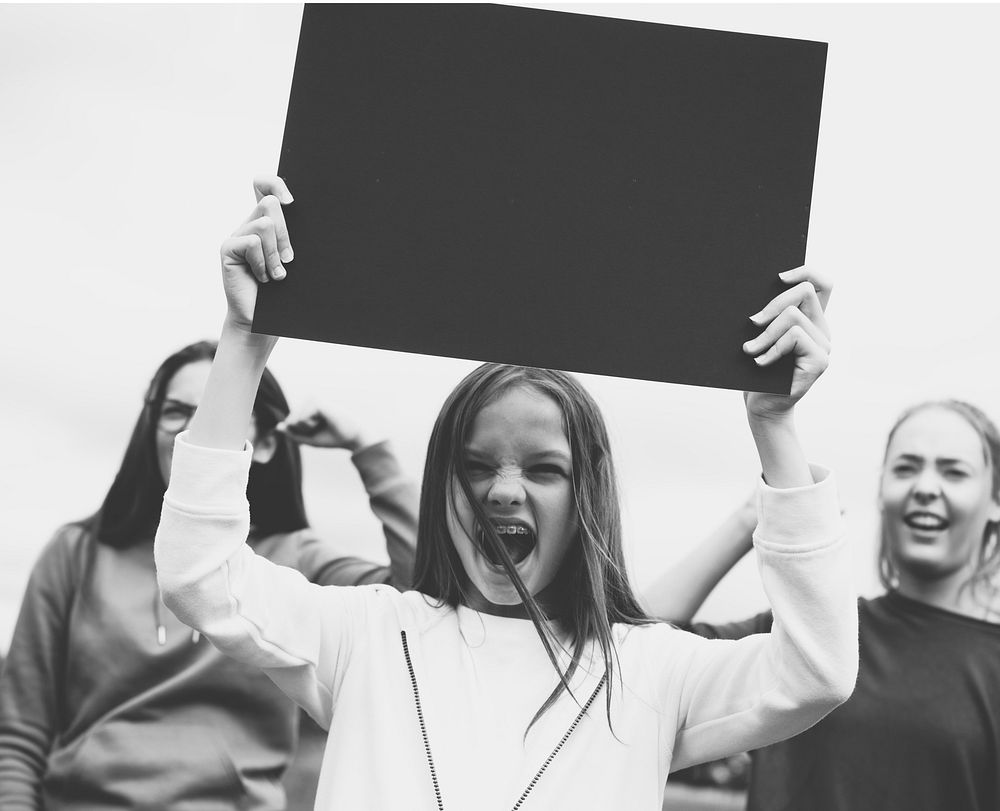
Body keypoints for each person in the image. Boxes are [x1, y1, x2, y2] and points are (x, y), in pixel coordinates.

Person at [153, 175, 858, 810]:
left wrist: (775, 424)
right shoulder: (366, 633)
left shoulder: (646, 670)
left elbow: (814, 671)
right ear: (440, 485)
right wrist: (244, 341)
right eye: (476, 464)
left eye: (544, 468)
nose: (502, 490)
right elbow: (200, 575)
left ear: (590, 498)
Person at [0, 339, 418, 810]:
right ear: (150, 427)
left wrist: (368, 451)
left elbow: (418, 598)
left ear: (262, 443)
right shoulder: (74, 553)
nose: (194, 433)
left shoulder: (294, 558)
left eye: (220, 411)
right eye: (176, 412)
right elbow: (19, 735)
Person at [649, 400, 1000, 811]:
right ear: (882, 490)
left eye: (954, 471)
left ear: (995, 500)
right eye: (906, 467)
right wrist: (755, 515)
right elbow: (634, 643)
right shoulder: (812, 633)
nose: (924, 487)